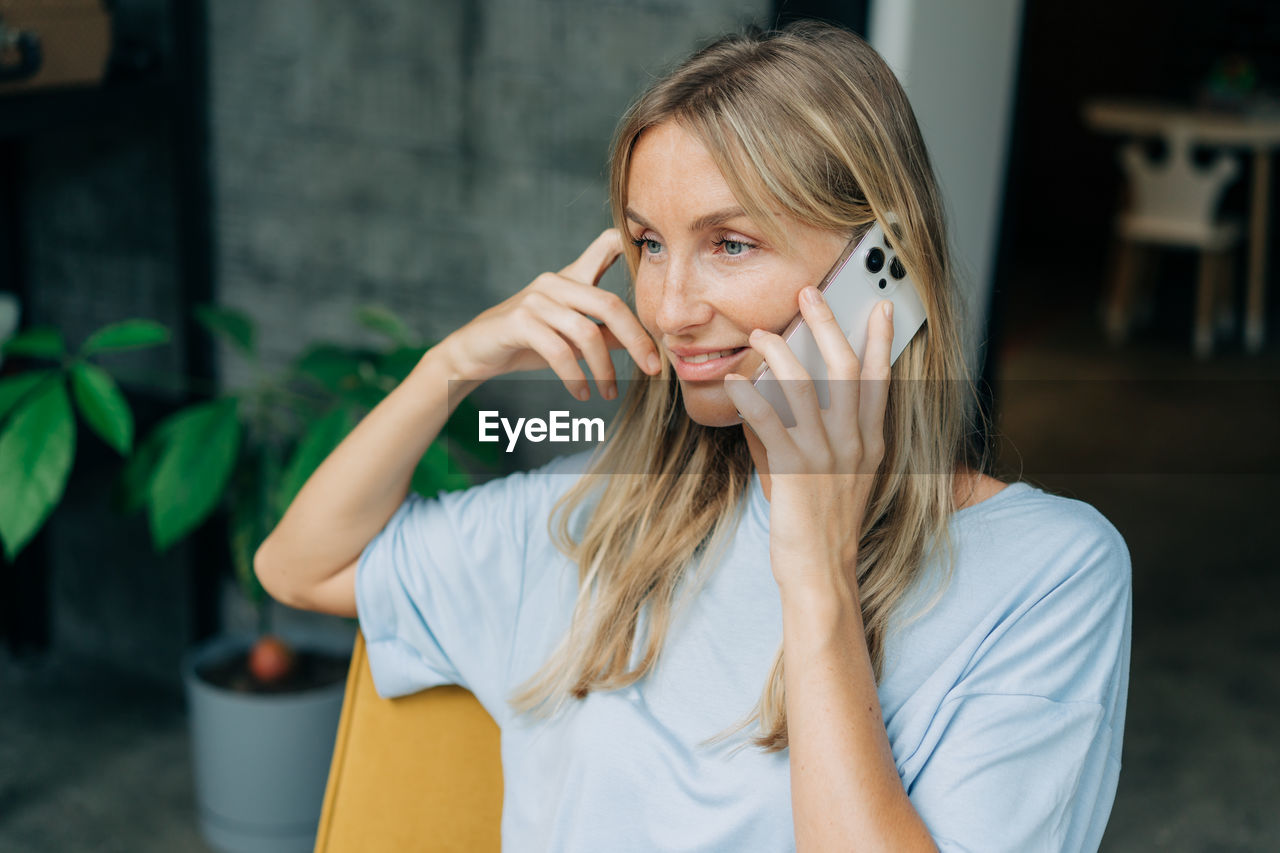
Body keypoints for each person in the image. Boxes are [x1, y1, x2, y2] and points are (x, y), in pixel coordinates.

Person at [255, 21, 1131, 853]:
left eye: (732, 244)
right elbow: (299, 567)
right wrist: (453, 363)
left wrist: (817, 570)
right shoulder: (602, 515)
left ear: (884, 273)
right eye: (649, 243)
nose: (670, 310)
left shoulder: (1051, 574)